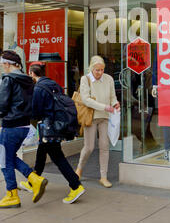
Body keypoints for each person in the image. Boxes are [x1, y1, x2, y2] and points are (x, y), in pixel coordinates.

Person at [20, 62, 86, 204]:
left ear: (31, 73)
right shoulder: (53, 84)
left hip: (49, 128)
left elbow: (36, 112)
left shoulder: (38, 88)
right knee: (41, 152)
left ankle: (76, 186)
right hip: (57, 126)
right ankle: (33, 182)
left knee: (58, 157)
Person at [0, 50, 48, 208]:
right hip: (24, 125)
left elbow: (2, 105)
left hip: (11, 125)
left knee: (4, 160)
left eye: (2, 65)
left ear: (7, 64)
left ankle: (12, 195)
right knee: (9, 157)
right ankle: (34, 179)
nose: (2, 68)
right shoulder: (28, 80)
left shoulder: (8, 79)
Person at [75, 55, 120, 188]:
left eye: (102, 70)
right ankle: (79, 169)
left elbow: (112, 97)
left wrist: (115, 103)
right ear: (91, 68)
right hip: (91, 116)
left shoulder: (109, 79)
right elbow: (86, 99)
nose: (100, 73)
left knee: (104, 146)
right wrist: (105, 106)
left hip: (105, 117)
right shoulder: (85, 79)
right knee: (89, 147)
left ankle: (103, 176)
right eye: (97, 70)